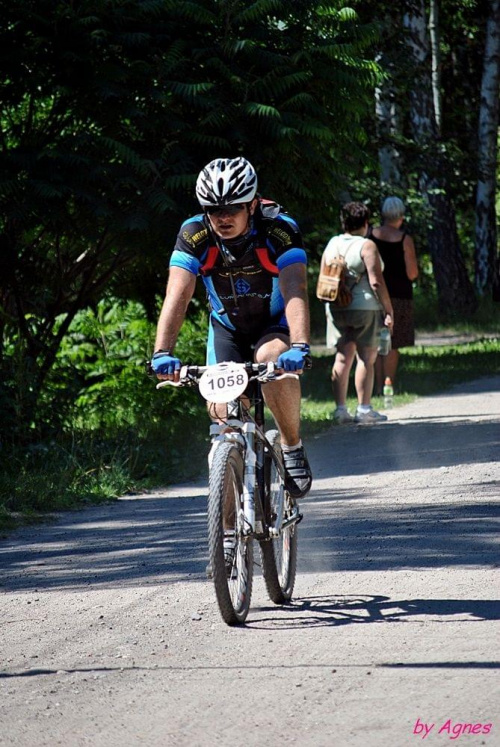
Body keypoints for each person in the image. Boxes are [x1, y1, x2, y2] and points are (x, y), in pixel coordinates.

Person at [150, 156, 312, 499]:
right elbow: (177, 294)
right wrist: (162, 351)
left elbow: (295, 288)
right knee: (223, 420)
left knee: (272, 357)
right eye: (213, 209)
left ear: (252, 204)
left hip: (274, 326)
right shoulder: (193, 234)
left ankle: (291, 445)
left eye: (233, 208)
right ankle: (225, 538)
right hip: (228, 329)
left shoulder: (280, 229)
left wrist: (299, 345)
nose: (222, 217)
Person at [322, 202, 394, 424]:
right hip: (364, 308)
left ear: (343, 223)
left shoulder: (332, 243)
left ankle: (340, 410)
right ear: (365, 223)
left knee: (343, 356)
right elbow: (376, 282)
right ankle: (364, 409)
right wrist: (388, 310)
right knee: (366, 357)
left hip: (336, 306)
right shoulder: (366, 245)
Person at [369, 196, 419, 394]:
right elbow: (412, 273)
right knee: (393, 341)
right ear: (401, 215)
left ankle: (375, 385)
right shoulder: (405, 239)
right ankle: (388, 384)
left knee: (374, 340)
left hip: (373, 295)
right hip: (399, 296)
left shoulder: (370, 236)